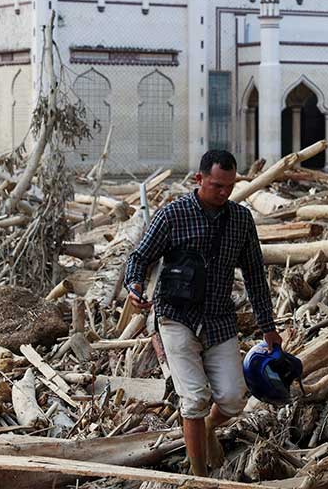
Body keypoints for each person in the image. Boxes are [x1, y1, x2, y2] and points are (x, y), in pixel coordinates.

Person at [123, 149, 281, 477]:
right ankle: (198, 476)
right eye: (217, 185)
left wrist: (268, 326)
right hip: (175, 317)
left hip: (219, 319)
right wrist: (134, 286)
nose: (224, 192)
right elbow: (140, 257)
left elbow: (254, 274)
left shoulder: (240, 220)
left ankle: (209, 427)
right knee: (193, 399)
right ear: (199, 180)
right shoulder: (173, 215)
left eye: (230, 186)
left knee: (233, 398)